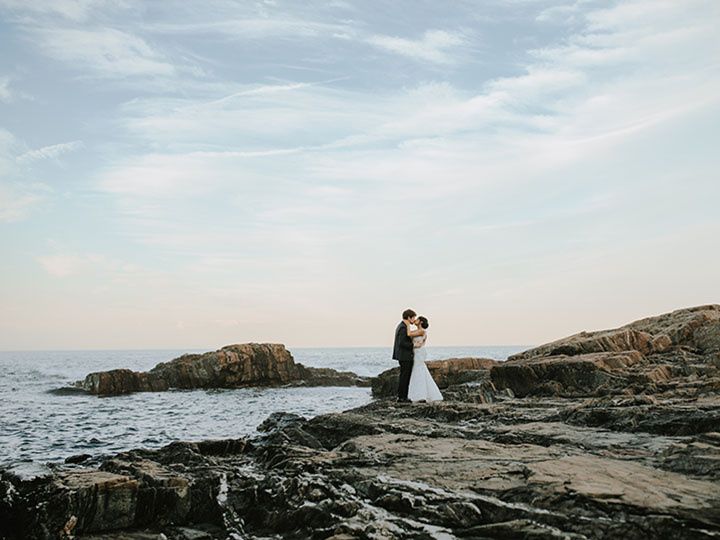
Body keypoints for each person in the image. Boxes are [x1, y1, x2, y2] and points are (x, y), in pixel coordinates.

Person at [407, 316, 443, 403]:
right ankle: (420, 392)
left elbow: (409, 334)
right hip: (415, 352)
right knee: (419, 370)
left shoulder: (422, 331)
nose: (415, 320)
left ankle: (419, 394)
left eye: (417, 319)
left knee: (418, 370)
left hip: (419, 352)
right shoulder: (417, 331)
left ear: (421, 322)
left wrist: (408, 323)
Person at [392, 309, 416, 402]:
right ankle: (402, 397)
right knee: (405, 377)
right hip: (404, 356)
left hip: (403, 355)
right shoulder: (403, 327)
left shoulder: (403, 325)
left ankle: (402, 396)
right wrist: (413, 345)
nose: (414, 320)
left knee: (404, 376)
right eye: (413, 318)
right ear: (409, 317)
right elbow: (402, 343)